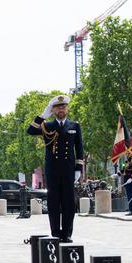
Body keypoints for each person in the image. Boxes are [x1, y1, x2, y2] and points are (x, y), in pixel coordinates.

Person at [26, 94, 84, 242]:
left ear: (67, 109)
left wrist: (79, 169)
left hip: (68, 169)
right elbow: (30, 131)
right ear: (53, 110)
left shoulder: (74, 126)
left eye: (63, 107)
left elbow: (79, 148)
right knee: (53, 202)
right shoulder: (47, 125)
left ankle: (67, 234)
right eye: (58, 108)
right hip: (52, 169)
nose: (61, 110)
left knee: (69, 203)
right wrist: (43, 116)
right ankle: (56, 232)